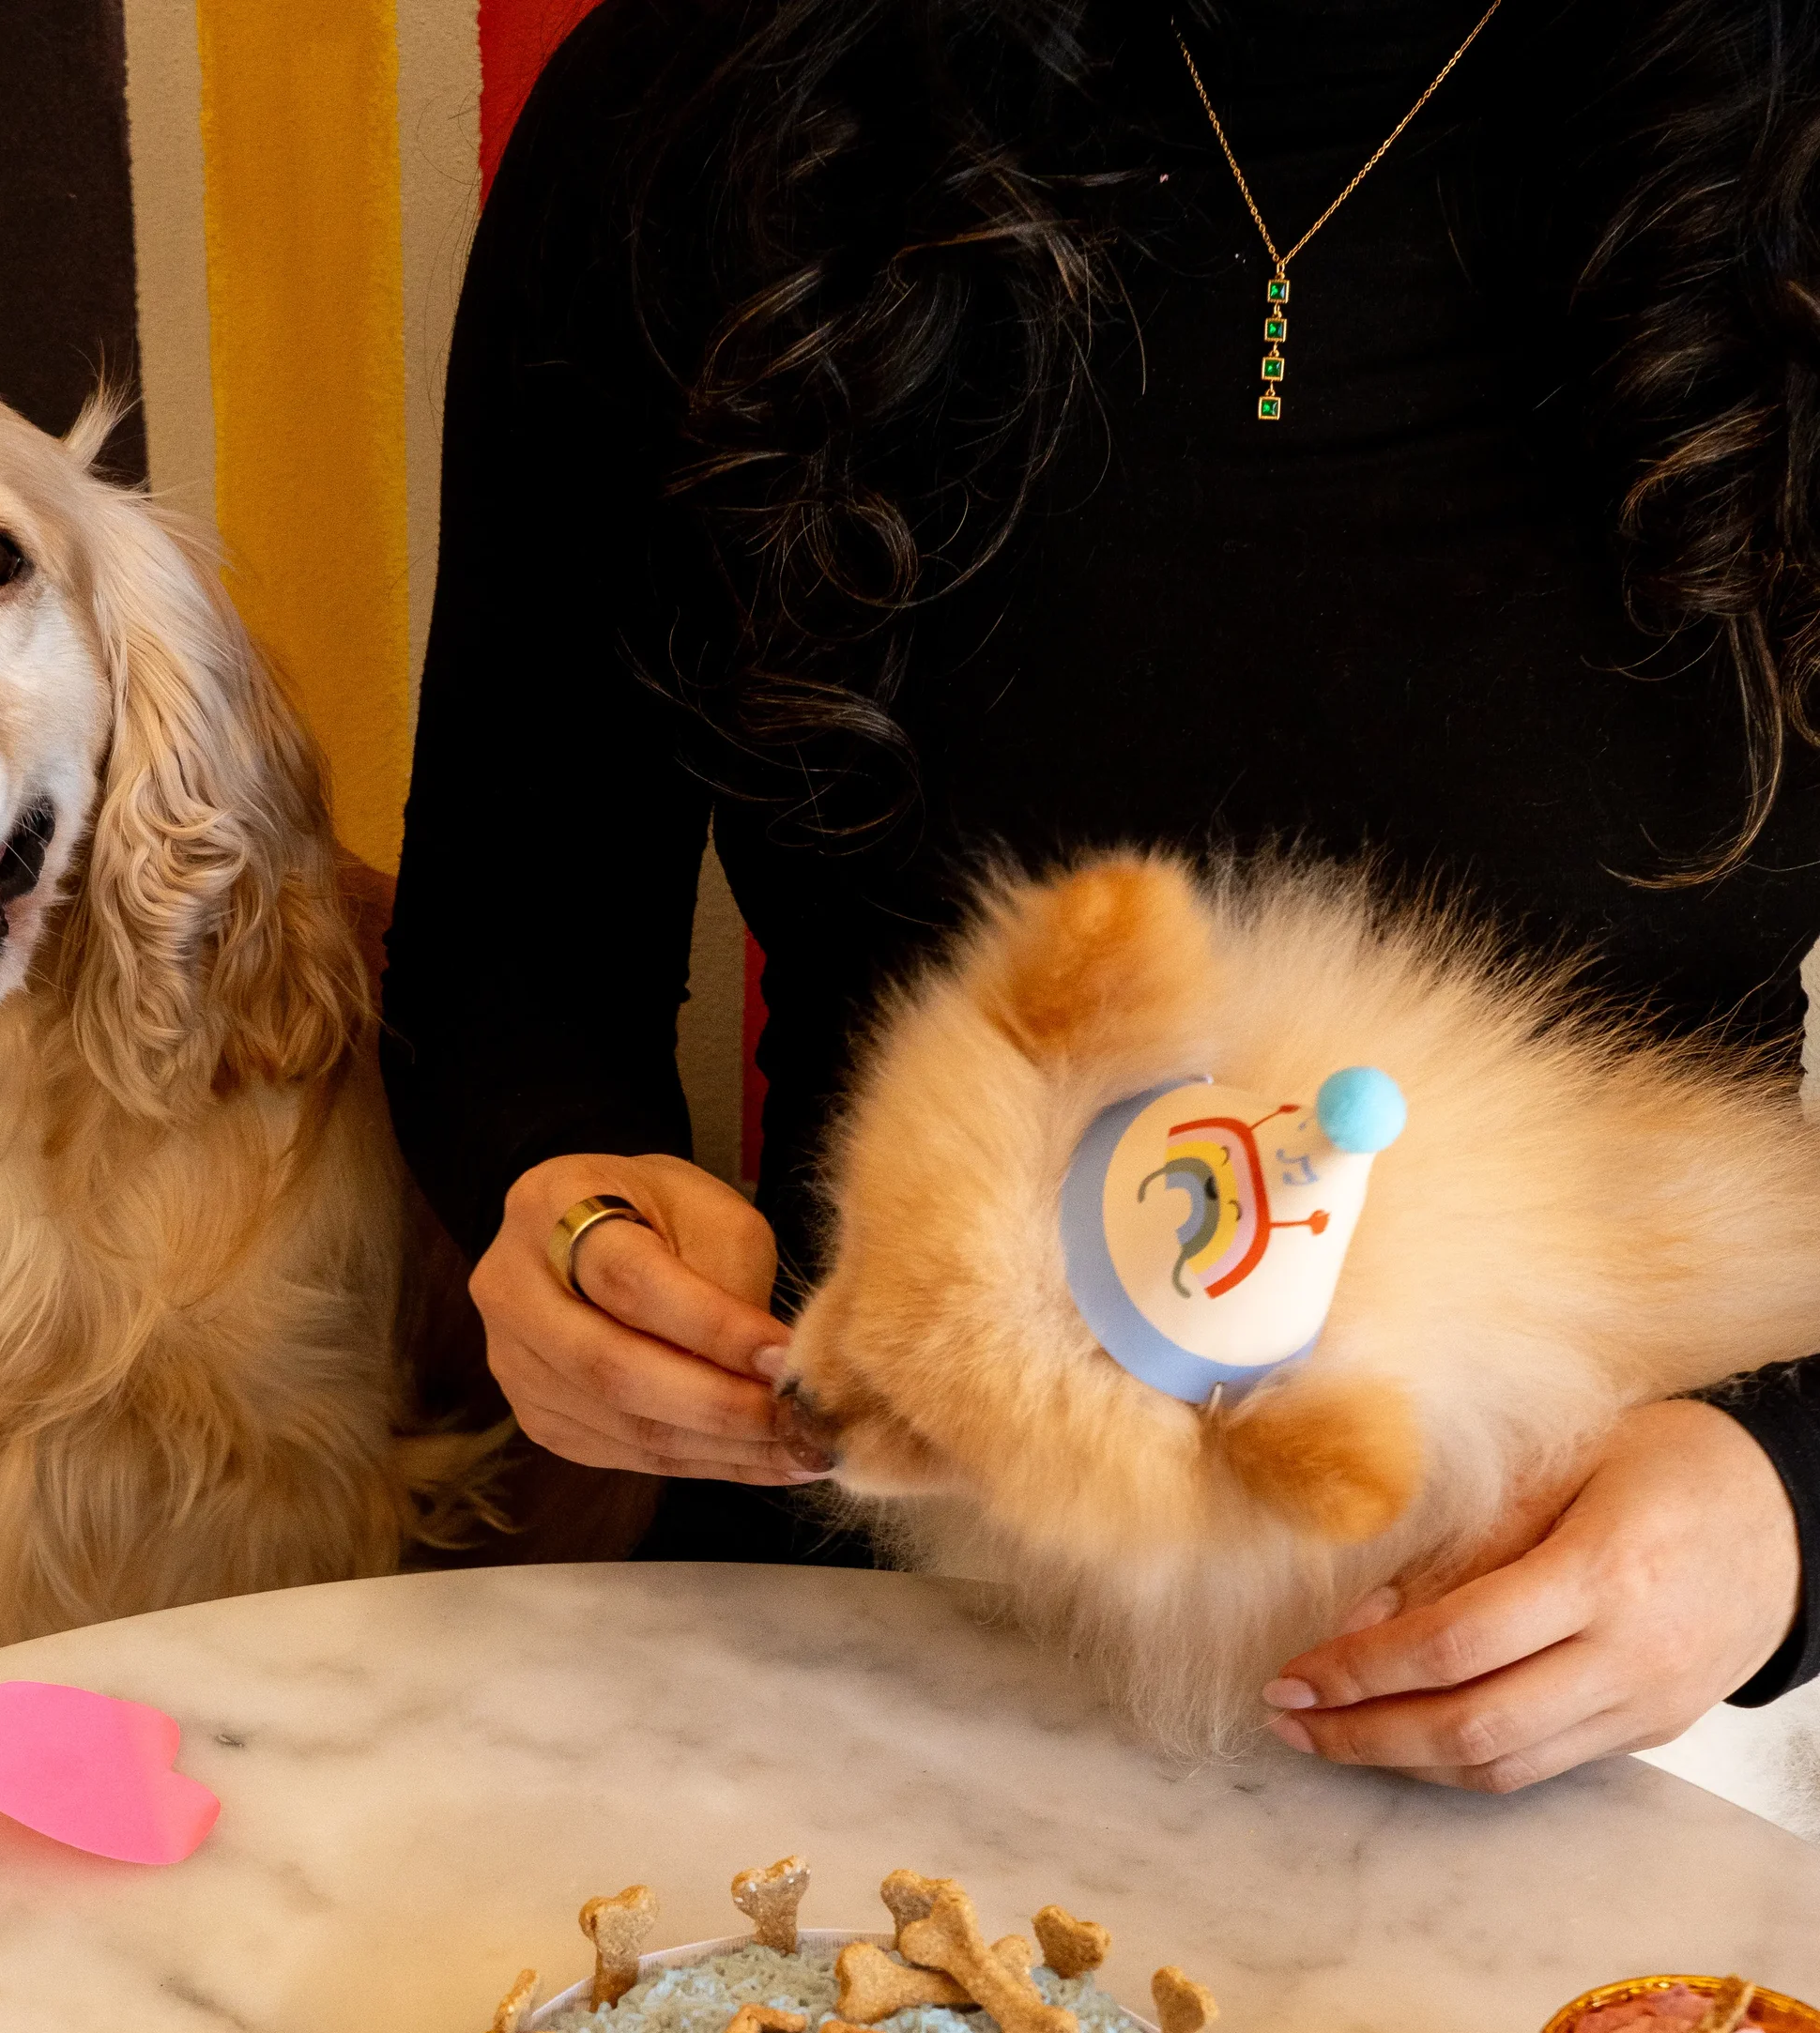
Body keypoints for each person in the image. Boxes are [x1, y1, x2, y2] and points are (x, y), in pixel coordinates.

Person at [382, 0, 1820, 1790]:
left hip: (1643, 1703)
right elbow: (509, 962)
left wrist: (1787, 1506)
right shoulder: (700, 105)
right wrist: (571, 1219)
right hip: (881, 1600)